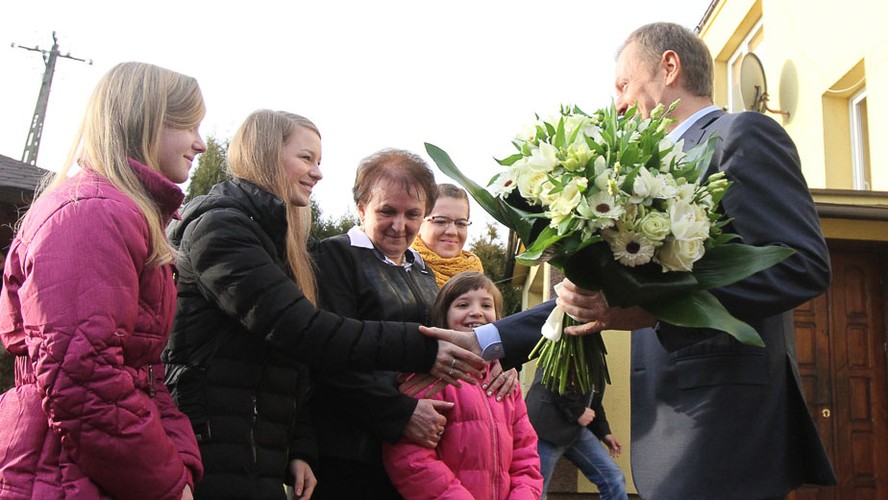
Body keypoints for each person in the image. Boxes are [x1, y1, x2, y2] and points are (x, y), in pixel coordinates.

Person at [425, 22, 836, 499]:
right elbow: (602, 295)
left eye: (622, 84)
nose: (617, 103)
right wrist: (487, 340)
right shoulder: (643, 168)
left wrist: (647, 311)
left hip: (725, 427)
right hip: (666, 430)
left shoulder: (739, 134)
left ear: (668, 67)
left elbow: (800, 265)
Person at [162, 114, 484, 500]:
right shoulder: (257, 237)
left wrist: (491, 368)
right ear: (361, 208)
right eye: (306, 158)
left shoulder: (288, 241)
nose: (317, 173)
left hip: (363, 450)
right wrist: (402, 401)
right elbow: (310, 338)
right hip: (301, 444)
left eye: (412, 214)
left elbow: (286, 365)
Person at [0, 62, 206, 499]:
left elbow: (143, 373)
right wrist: (167, 482)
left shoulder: (120, 213)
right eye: (189, 125)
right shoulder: (92, 214)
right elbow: (82, 376)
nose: (201, 143)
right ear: (144, 120)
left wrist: (179, 464)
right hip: (62, 475)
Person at [309, 148, 451, 499]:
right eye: (387, 211)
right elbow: (328, 357)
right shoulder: (334, 257)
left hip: (413, 457)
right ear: (360, 207)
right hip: (350, 454)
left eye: (413, 214)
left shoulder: (422, 269)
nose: (400, 226)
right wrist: (401, 413)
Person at [383, 271, 543, 499]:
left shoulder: (506, 382)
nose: (476, 312)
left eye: (486, 305)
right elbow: (411, 457)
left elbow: (525, 454)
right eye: (463, 304)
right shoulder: (426, 377)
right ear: (443, 315)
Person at [525, 368, 626, 499]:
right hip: (546, 429)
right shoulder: (560, 347)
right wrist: (577, 411)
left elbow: (594, 396)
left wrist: (605, 433)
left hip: (575, 430)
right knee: (534, 490)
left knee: (614, 479)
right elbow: (552, 376)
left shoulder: (596, 353)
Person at [411, 183, 483, 287]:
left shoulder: (476, 277)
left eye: (461, 223)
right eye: (441, 222)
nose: (452, 231)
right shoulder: (402, 269)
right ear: (419, 222)